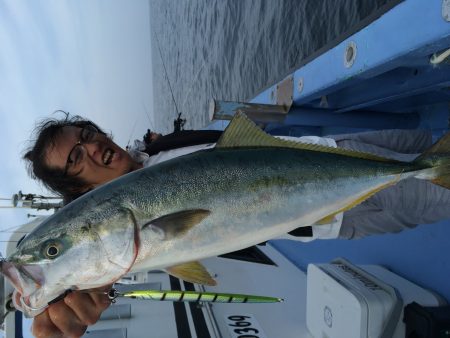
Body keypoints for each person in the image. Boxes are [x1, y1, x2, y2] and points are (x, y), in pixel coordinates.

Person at [21, 113, 450, 337]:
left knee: (430, 146)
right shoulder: (122, 239)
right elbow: (103, 267)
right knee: (436, 180)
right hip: (350, 206)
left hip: (336, 149)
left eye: (86, 134)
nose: (92, 146)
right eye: (75, 158)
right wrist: (68, 296)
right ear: (75, 193)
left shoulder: (151, 155)